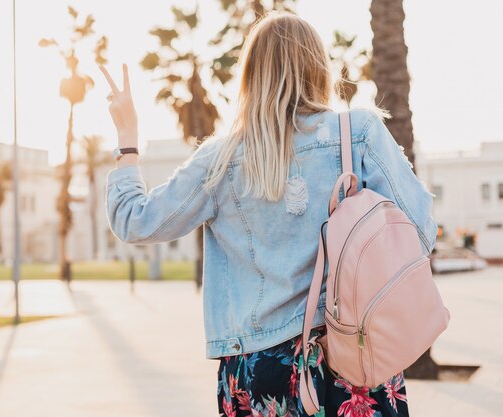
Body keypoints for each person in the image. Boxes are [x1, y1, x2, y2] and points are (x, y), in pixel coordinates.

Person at [99, 10, 437, 417]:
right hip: (353, 355)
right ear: (318, 67)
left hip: (257, 370)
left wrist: (127, 141)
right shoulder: (358, 133)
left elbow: (133, 220)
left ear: (250, 75)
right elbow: (420, 231)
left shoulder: (219, 161)